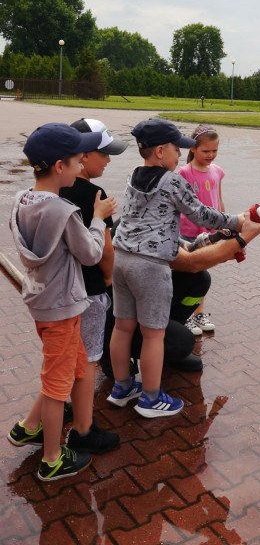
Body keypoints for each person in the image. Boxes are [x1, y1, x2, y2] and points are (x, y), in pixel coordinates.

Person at [108, 118, 243, 418]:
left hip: (122, 259)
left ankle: (121, 388)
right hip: (150, 267)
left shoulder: (134, 175)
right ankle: (151, 399)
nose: (181, 155)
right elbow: (202, 214)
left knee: (123, 326)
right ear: (159, 151)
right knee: (154, 334)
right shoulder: (171, 181)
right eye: (176, 150)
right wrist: (236, 222)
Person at [7, 123, 116, 482]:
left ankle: (28, 428)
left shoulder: (23, 200)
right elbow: (90, 254)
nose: (79, 165)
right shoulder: (64, 210)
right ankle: (52, 459)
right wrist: (98, 221)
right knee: (57, 387)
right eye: (75, 161)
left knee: (77, 366)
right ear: (59, 166)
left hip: (43, 302)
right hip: (62, 309)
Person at [101, 211, 260, 377]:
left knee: (199, 280)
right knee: (183, 342)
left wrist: (220, 246)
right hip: (118, 318)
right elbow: (190, 262)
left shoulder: (156, 217)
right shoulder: (141, 228)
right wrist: (242, 239)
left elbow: (188, 250)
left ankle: (166, 347)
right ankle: (110, 353)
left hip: (143, 301)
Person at [59, 118, 128, 454]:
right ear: (83, 156)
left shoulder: (54, 188)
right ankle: (83, 431)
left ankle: (39, 420)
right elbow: (106, 251)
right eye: (104, 154)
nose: (109, 160)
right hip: (89, 291)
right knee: (86, 360)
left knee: (65, 356)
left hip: (61, 292)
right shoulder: (95, 196)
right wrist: (109, 279)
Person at [178, 125, 224, 334]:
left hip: (209, 234)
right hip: (188, 233)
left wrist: (224, 223)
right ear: (193, 149)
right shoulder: (184, 172)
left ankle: (198, 314)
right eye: (206, 151)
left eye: (214, 151)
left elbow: (219, 200)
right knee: (188, 276)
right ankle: (182, 315)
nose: (211, 155)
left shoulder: (217, 172)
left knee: (201, 277)